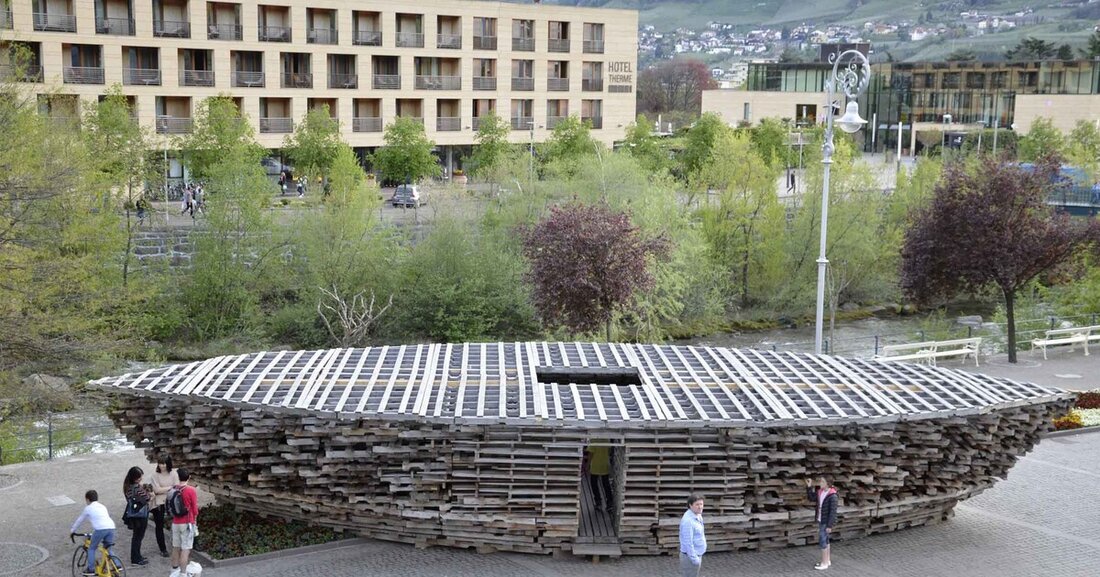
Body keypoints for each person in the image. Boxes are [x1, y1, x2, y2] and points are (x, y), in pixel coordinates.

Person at [70, 489, 117, 577]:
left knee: (91, 548)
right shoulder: (102, 506)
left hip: (99, 529)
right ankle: (117, 565)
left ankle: (91, 569)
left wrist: (72, 531)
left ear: (87, 499)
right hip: (111, 527)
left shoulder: (88, 508)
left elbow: (80, 520)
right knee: (108, 548)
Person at [170, 468, 199, 577]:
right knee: (185, 549)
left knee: (175, 547)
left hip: (175, 522)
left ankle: (173, 570)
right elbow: (195, 509)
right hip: (187, 522)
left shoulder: (173, 489)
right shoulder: (191, 490)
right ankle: (183, 573)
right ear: (189, 477)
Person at [806, 476, 838, 570]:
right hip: (821, 520)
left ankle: (824, 563)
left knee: (822, 540)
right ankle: (827, 560)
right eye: (820, 481)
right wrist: (809, 486)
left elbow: (833, 512)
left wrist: (829, 525)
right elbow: (811, 498)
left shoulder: (833, 496)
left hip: (826, 522)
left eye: (822, 481)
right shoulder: (820, 492)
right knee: (826, 540)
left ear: (828, 483)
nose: (820, 483)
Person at [150, 455, 179, 558]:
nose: (162, 466)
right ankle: (162, 549)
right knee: (159, 525)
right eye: (160, 463)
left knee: (176, 523)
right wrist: (170, 488)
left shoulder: (174, 474)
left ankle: (176, 545)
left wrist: (164, 489)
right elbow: (156, 490)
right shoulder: (155, 475)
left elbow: (177, 487)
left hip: (172, 501)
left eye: (164, 463)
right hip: (159, 503)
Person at [122, 467, 151, 566]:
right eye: (139, 478)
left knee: (136, 536)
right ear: (134, 478)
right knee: (138, 537)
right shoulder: (137, 488)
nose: (140, 479)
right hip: (141, 515)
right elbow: (147, 497)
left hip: (134, 515)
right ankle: (136, 559)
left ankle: (137, 556)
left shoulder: (127, 487)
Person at [678, 494, 706, 577]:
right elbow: (687, 542)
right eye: (697, 504)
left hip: (697, 554)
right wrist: (695, 559)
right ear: (690, 505)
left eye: (701, 504)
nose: (700, 507)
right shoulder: (688, 521)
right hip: (690, 557)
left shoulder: (698, 516)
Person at [585, 443, 613, 512]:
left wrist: (587, 465)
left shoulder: (594, 440)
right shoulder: (607, 440)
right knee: (606, 484)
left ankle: (598, 503)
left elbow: (591, 454)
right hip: (605, 465)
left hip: (595, 466)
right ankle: (609, 503)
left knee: (594, 484)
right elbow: (609, 451)